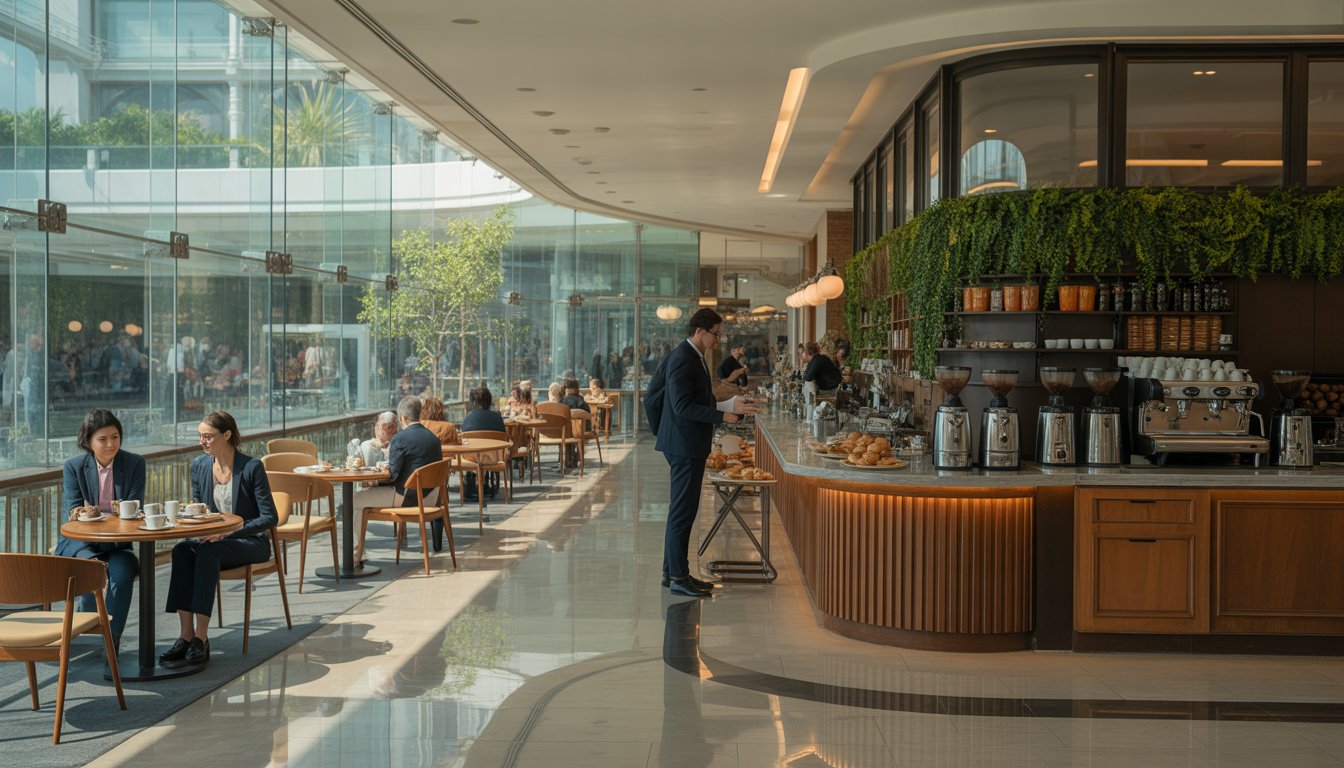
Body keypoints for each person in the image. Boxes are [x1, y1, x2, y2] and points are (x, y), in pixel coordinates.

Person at [644, 308, 758, 598]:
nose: (718, 340)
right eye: (716, 334)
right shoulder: (684, 359)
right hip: (683, 444)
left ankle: (673, 573)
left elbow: (697, 401)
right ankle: (679, 576)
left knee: (684, 510)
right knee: (682, 512)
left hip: (685, 442)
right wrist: (722, 418)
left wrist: (727, 406)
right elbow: (681, 407)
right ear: (699, 331)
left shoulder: (691, 356)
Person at [162, 411, 278, 669]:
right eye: (200, 436)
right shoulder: (200, 466)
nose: (202, 441)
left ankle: (201, 638)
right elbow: (199, 507)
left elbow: (270, 517)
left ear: (226, 435)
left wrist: (228, 532)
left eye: (208, 436)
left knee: (206, 552)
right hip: (213, 540)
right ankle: (185, 635)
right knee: (182, 550)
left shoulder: (251, 467)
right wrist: (192, 520)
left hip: (251, 542)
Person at [56, 409, 143, 650]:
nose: (110, 444)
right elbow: (72, 511)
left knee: (123, 576)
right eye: (102, 439)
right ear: (88, 441)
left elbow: (134, 509)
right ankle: (87, 634)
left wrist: (98, 516)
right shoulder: (74, 466)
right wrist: (85, 513)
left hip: (118, 543)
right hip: (82, 542)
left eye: (115, 437)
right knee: (90, 571)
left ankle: (110, 643)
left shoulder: (135, 463)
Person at [386, 396, 449, 550]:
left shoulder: (399, 439)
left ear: (403, 418)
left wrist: (374, 480)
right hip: (433, 499)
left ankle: (357, 555)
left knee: (357, 501)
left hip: (408, 499)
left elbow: (393, 475)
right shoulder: (434, 439)